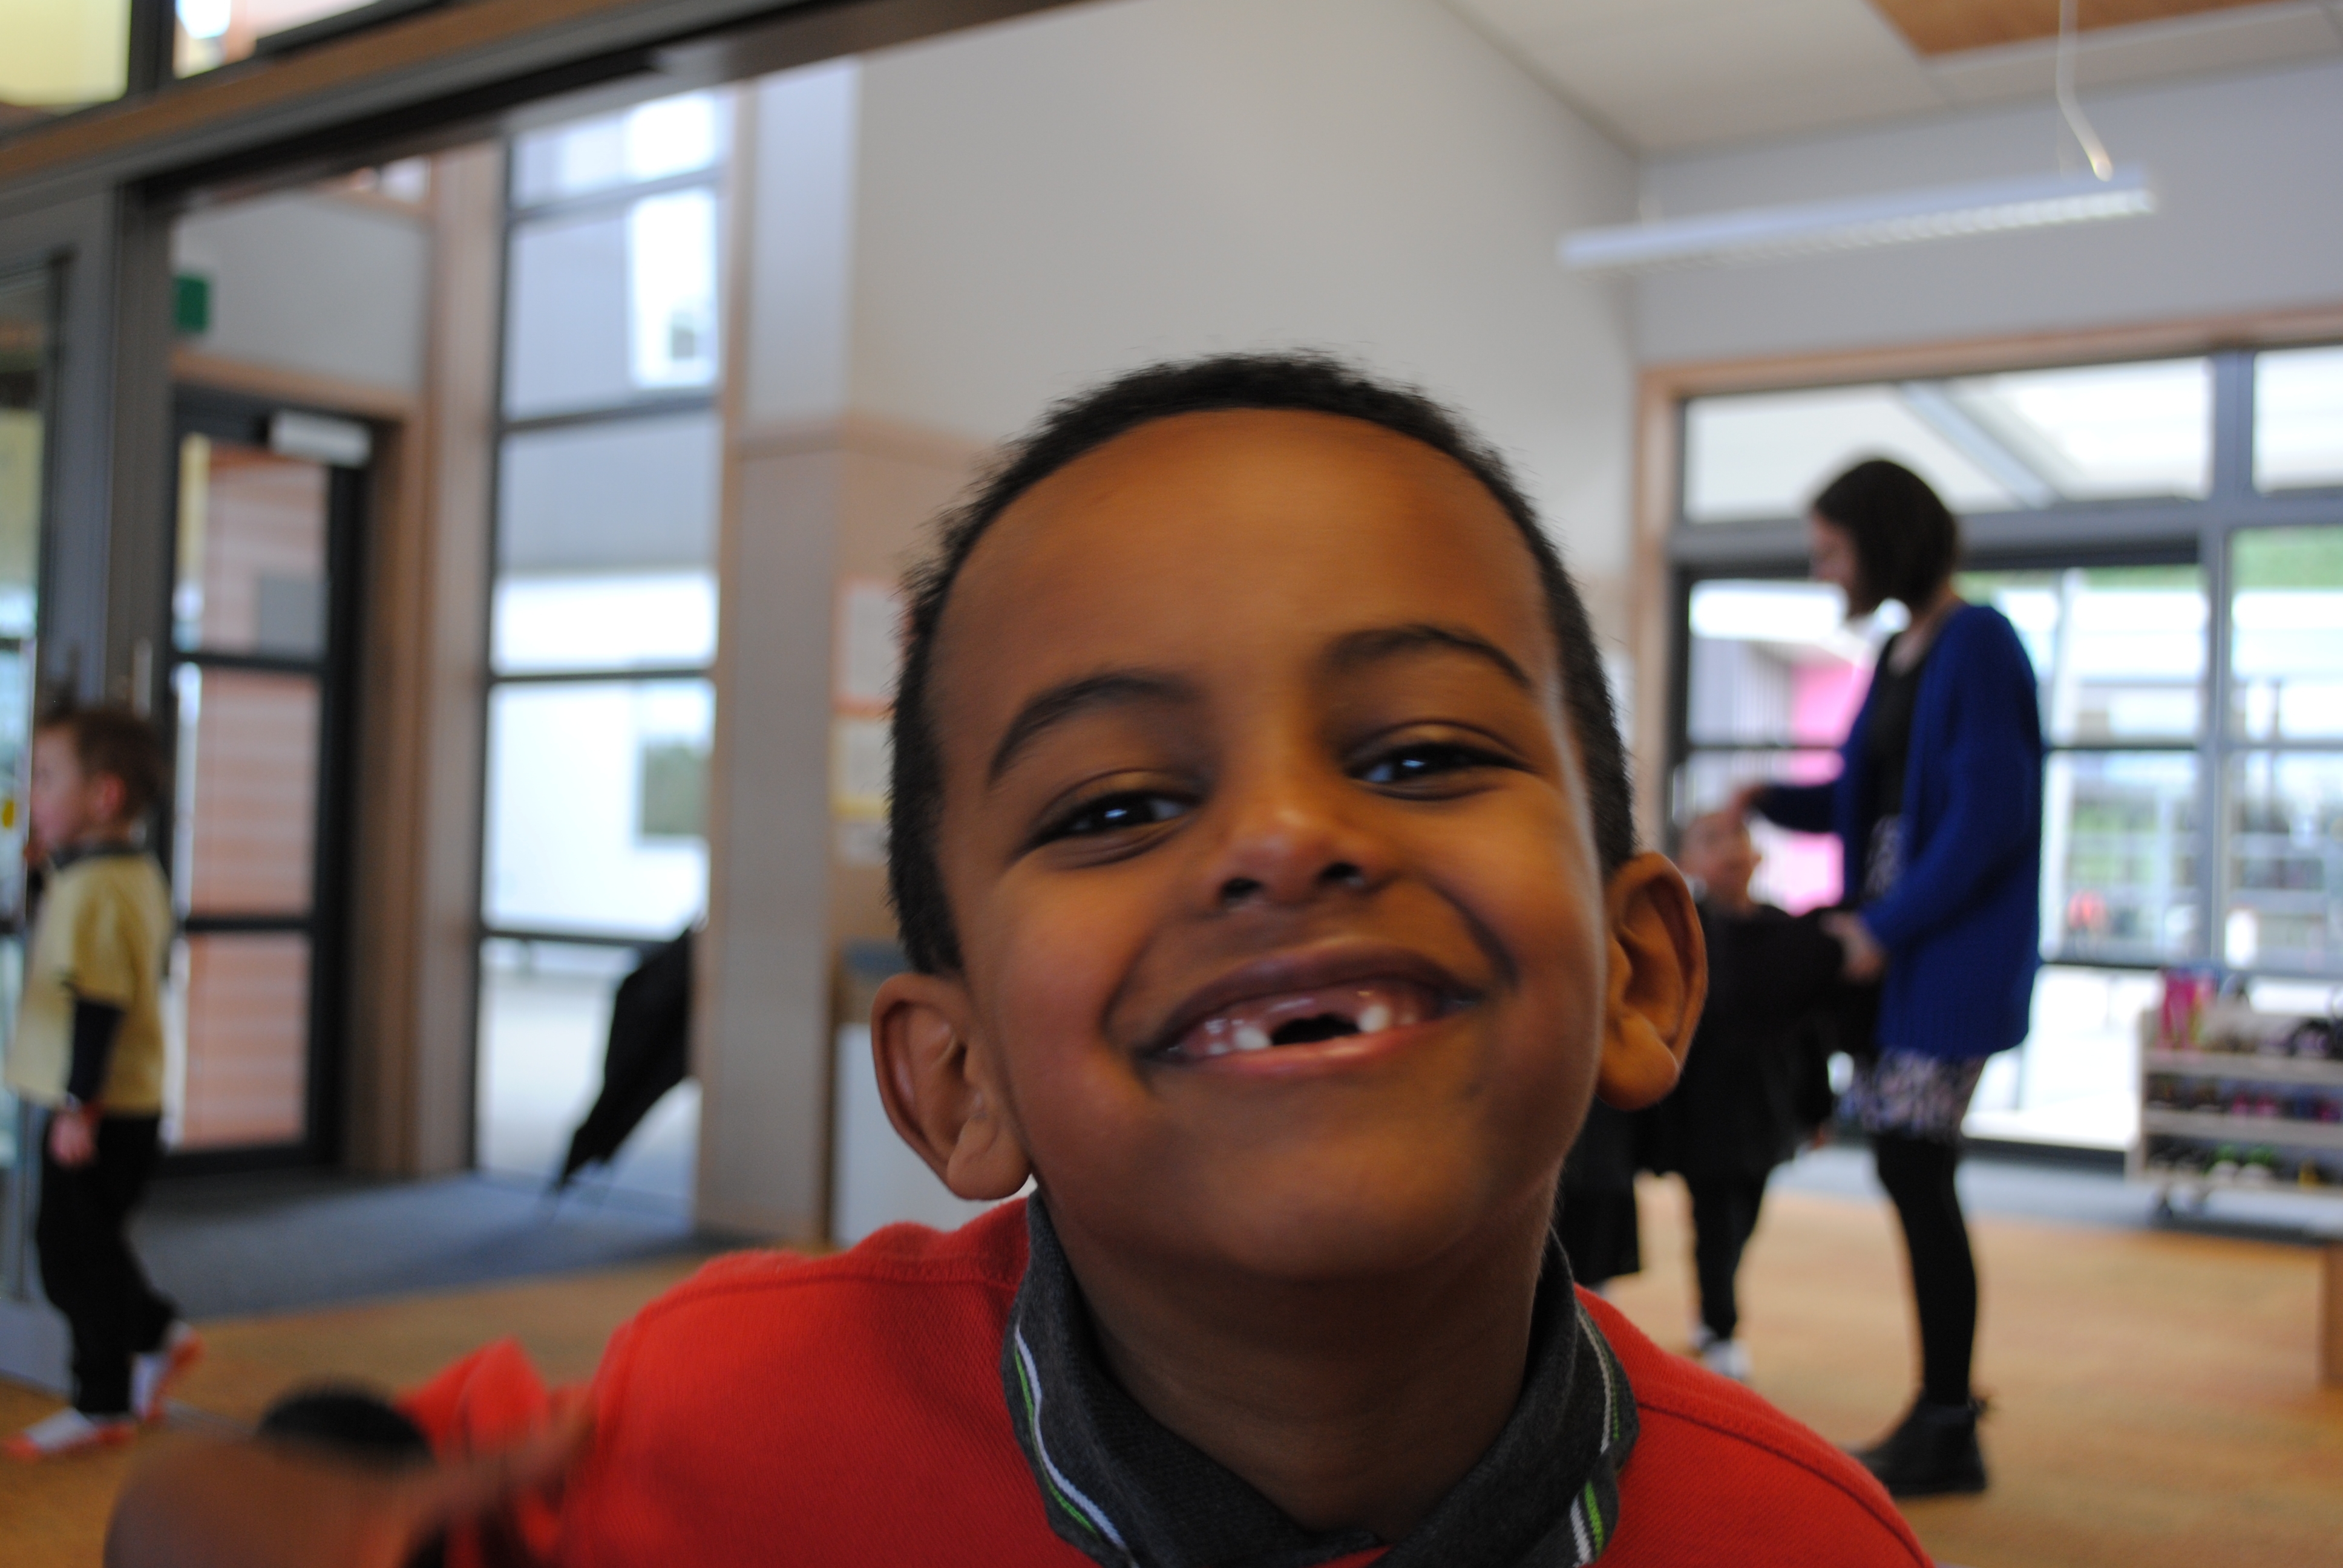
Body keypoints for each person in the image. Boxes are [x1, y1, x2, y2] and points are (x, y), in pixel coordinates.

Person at [111, 356, 1927, 1566]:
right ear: (957, 1076)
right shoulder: (723, 1411)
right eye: (1117, 804)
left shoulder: (1809, 1543)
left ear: (1640, 974)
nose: (1282, 836)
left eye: (1419, 753)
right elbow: (215, 1501)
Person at [1735, 457, 2042, 1498]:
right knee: (1911, 1171)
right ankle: (1942, 1414)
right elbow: (1861, 799)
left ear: (1881, 538)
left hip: (1938, 957)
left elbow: (1987, 821)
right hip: (1895, 952)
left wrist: (1882, 928)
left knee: (1916, 1168)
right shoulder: (1899, 650)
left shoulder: (1978, 642)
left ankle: (1947, 1423)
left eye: (1831, 549)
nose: (1823, 570)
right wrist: (1761, 796)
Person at [4, 705, 202, 1461]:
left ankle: (102, 1401)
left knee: (68, 1258)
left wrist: (77, 1108)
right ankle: (156, 1332)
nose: (32, 793)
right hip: (123, 1103)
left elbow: (98, 1003)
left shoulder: (93, 891)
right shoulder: (120, 873)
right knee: (91, 1244)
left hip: (98, 1107)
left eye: (46, 778)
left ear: (104, 795)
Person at [1646, 811, 1845, 1383]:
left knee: (1746, 1217)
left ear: (1758, 853)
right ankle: (1721, 1324)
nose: (1731, 850)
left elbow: (1812, 1029)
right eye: (1713, 841)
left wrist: (1818, 1108)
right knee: (1715, 1220)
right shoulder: (1682, 930)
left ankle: (1716, 1306)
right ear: (1689, 862)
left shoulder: (1787, 931)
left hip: (1769, 1101)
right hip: (1702, 1102)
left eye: (1738, 837)